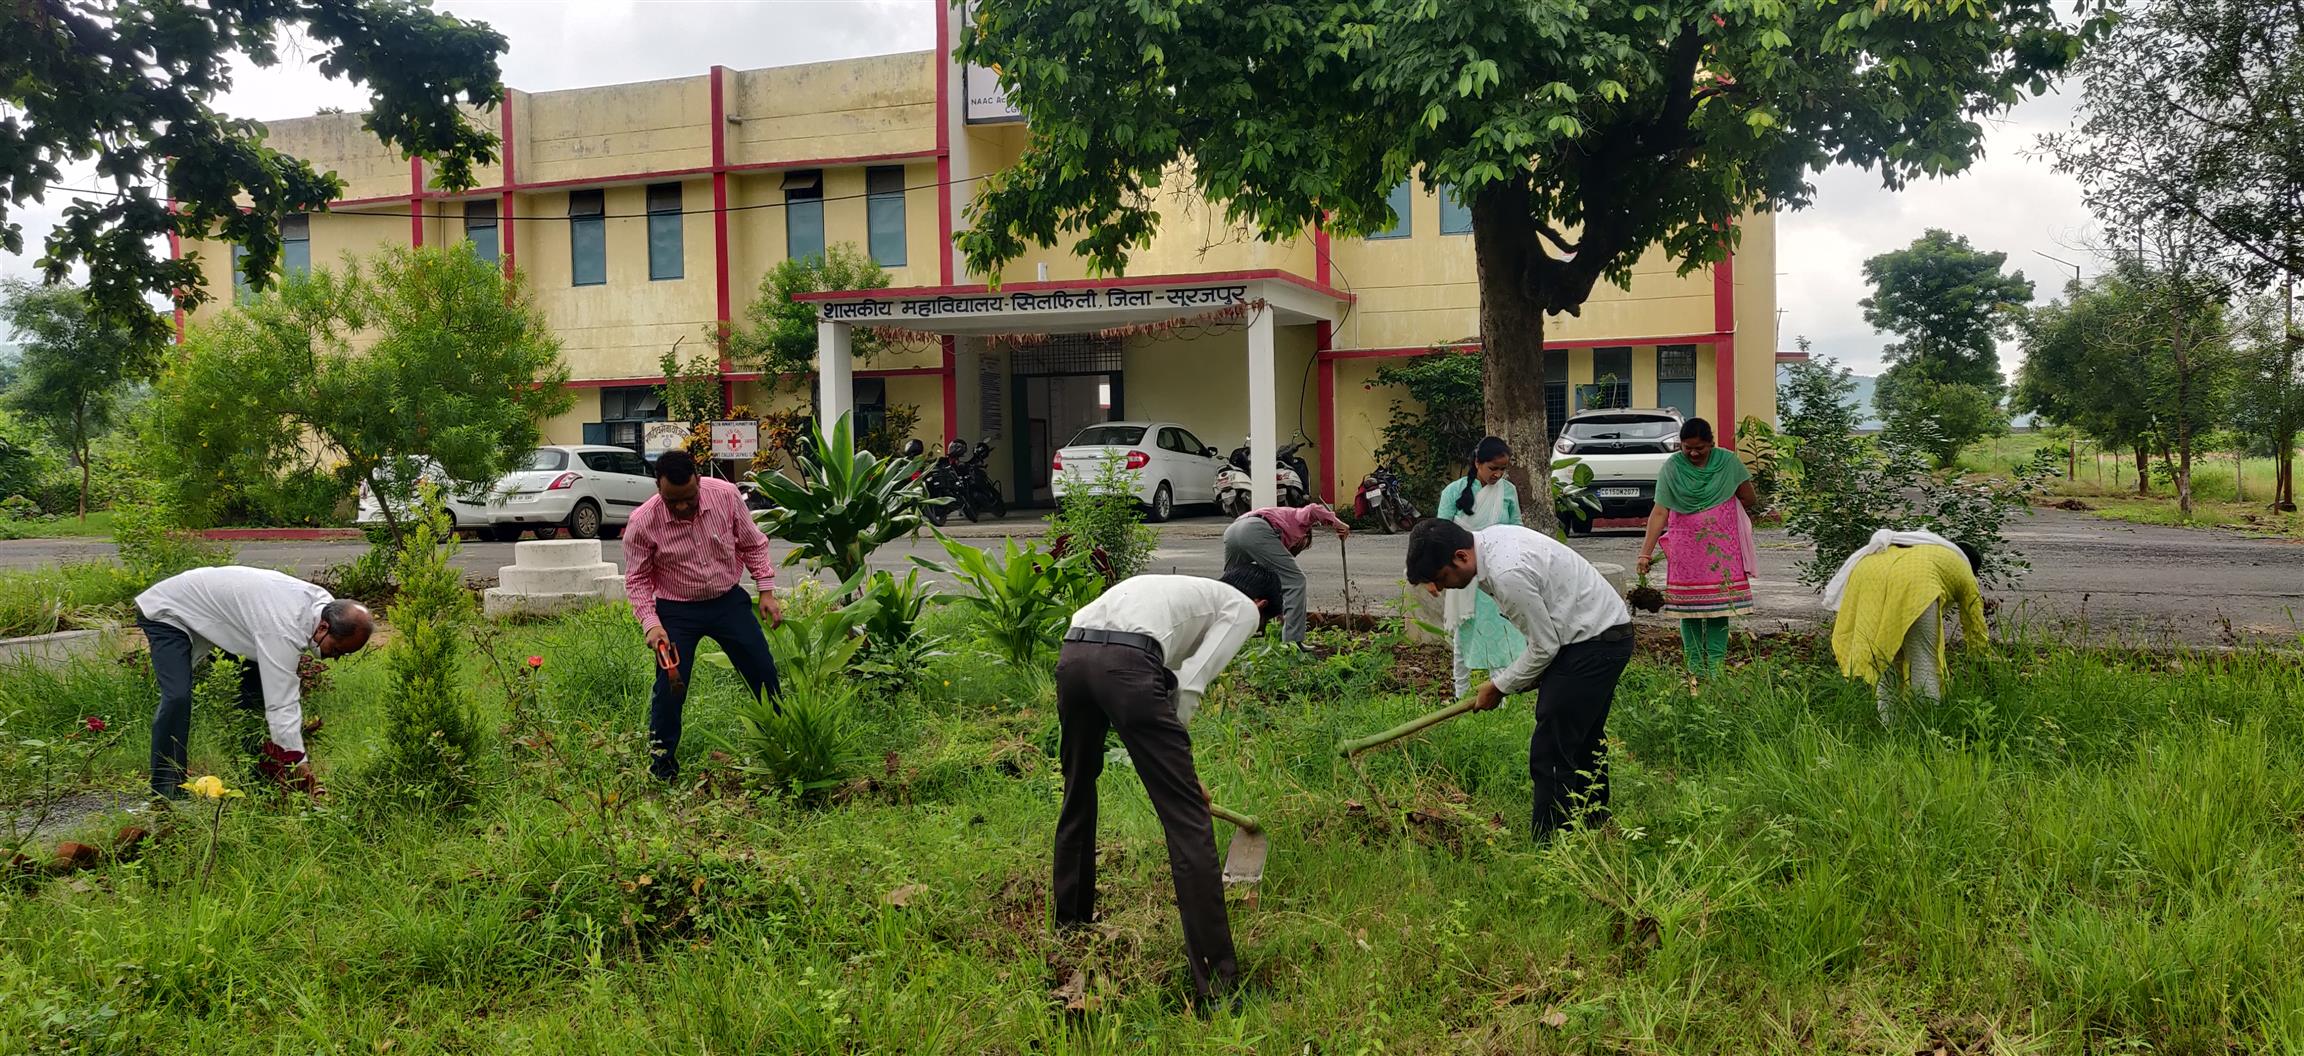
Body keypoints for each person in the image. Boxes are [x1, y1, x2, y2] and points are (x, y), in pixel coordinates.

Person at [1052, 566, 1283, 1007]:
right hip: (1126, 665)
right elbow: (1190, 687)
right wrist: (1184, 779)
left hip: (1074, 654)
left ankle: (1070, 928)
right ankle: (1218, 988)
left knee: (1077, 792)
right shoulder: (1241, 610)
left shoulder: (1184, 593)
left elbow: (1166, 681)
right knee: (1187, 823)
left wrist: (1180, 767)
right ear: (1262, 608)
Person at [1404, 518, 1633, 842]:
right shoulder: (1492, 543)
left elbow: (1545, 646)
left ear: (1461, 556)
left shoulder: (1506, 572)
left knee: (1551, 750)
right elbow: (1545, 638)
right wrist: (1523, 677)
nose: (1438, 589)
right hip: (1598, 634)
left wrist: (1498, 686)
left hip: (1593, 643)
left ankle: (1551, 848)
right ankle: (1593, 827)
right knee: (1582, 740)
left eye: (1441, 578)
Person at [136, 566, 374, 800]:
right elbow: (282, 705)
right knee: (177, 696)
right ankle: (166, 790)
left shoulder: (327, 608)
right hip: (170, 610)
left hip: (230, 622)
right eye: (337, 650)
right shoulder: (284, 627)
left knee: (254, 698)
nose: (337, 657)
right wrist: (300, 762)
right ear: (323, 627)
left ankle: (260, 780)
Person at [623, 449, 784, 782]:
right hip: (677, 612)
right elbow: (637, 579)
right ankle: (662, 767)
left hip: (728, 601)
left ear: (698, 480)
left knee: (763, 671)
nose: (682, 507)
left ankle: (782, 749)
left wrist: (765, 591)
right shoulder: (643, 521)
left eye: (689, 499)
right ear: (658, 488)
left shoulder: (725, 496)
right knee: (671, 688)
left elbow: (752, 544)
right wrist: (651, 625)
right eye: (672, 501)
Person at [1634, 418, 1760, 678]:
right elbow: (1659, 512)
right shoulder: (1671, 467)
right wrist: (1644, 553)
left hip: (1721, 550)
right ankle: (1694, 669)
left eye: (1700, 448)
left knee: (1719, 609)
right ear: (1680, 445)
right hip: (1686, 550)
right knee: (1688, 610)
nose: (1692, 453)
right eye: (1686, 447)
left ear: (1711, 444)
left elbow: (1749, 497)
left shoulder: (1729, 462)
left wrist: (1722, 511)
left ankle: (1715, 670)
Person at [1825, 530, 1989, 724]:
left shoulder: (1926, 548)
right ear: (1973, 567)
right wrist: (1980, 659)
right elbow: (1974, 622)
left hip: (1868, 576)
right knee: (1923, 658)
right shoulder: (1963, 568)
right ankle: (1926, 726)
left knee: (1884, 658)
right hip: (1915, 583)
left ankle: (1890, 726)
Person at [1434, 436, 1529, 697]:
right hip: (1462, 574)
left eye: (1502, 469)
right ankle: (1460, 693)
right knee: (1462, 633)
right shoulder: (1453, 492)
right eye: (1492, 468)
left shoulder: (1508, 491)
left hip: (1498, 572)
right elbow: (1441, 533)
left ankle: (1500, 694)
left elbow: (1516, 528)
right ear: (1477, 463)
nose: (1497, 475)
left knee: (1500, 631)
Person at [1219, 501, 1348, 645]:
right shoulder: (1299, 521)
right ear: (1305, 536)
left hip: (1233, 531)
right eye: (1302, 545)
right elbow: (1314, 509)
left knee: (1234, 584)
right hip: (1256, 529)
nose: (1297, 549)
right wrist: (1338, 524)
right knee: (1296, 581)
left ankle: (1222, 634)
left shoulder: (1280, 520)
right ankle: (1293, 643)